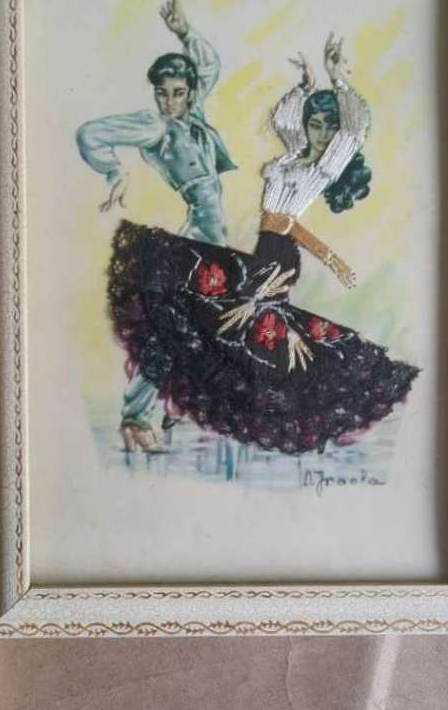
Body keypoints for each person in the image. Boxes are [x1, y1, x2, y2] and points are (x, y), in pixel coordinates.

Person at [106, 35, 419, 456]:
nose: (321, 133)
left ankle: (176, 406)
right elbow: (286, 126)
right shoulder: (292, 156)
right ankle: (169, 406)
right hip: (267, 253)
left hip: (275, 258)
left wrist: (339, 80)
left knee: (222, 324)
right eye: (315, 123)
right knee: (197, 313)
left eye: (328, 126)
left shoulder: (323, 168)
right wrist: (305, 87)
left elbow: (350, 136)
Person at [77, 0, 237, 452]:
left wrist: (184, 32)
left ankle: (171, 408)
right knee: (172, 333)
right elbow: (90, 134)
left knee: (209, 331)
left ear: (190, 94)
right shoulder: (156, 126)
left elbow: (209, 66)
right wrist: (113, 171)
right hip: (196, 243)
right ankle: (136, 419)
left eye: (178, 93)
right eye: (162, 93)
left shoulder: (194, 113)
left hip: (212, 242)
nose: (169, 102)